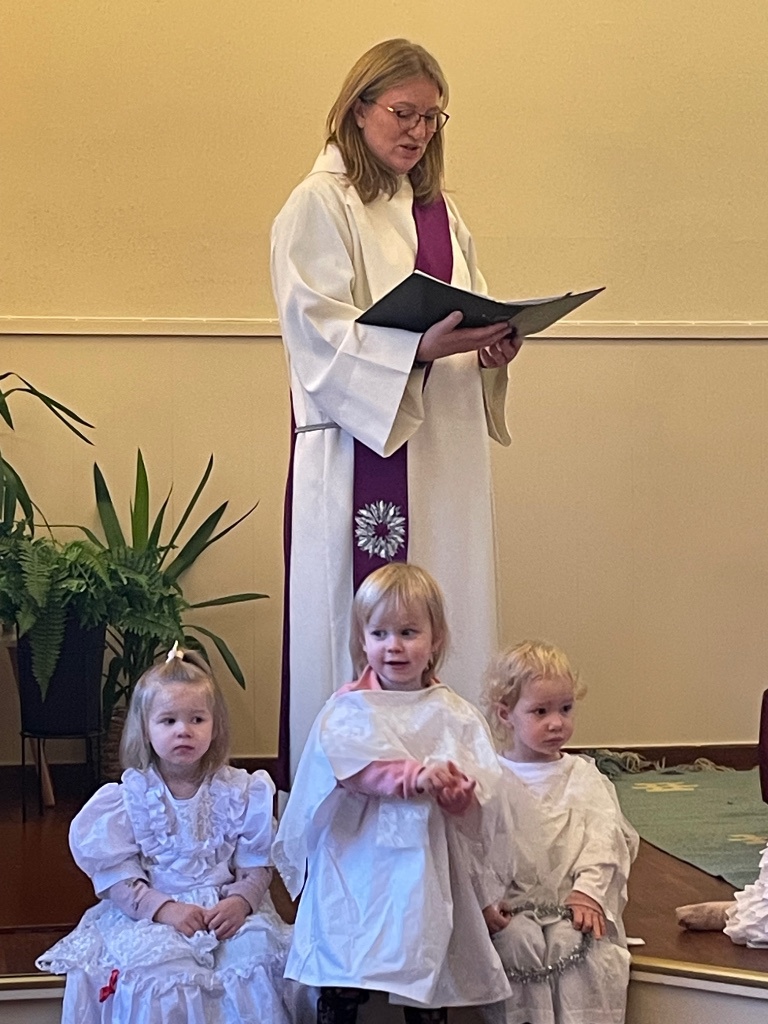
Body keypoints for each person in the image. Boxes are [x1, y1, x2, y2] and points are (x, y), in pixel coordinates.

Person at [271, 37, 524, 784]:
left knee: (451, 601)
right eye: (402, 112)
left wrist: (490, 348)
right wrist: (414, 350)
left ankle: (457, 794)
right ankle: (353, 797)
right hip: (363, 451)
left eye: (431, 118)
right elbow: (316, 335)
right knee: (365, 620)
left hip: (446, 448)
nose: (417, 131)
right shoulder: (319, 203)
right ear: (359, 108)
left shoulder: (439, 209)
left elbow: (467, 309)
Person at [272, 562, 512, 1023]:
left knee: (424, 958)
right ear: (362, 641)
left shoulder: (453, 713)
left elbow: (481, 789)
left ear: (435, 639)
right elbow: (351, 767)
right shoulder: (348, 708)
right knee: (345, 954)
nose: (393, 646)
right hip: (355, 859)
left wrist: (456, 793)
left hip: (423, 863)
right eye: (379, 633)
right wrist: (415, 777)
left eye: (408, 632)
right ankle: (338, 1006)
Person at [36, 644, 295, 1024]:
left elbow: (256, 865)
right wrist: (164, 909)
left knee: (255, 959)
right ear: (146, 729)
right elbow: (118, 878)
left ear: (215, 726)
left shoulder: (242, 791)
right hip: (156, 912)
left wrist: (242, 901)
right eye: (168, 721)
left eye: (197, 719)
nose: (183, 731)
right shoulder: (128, 799)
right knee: (158, 972)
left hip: (224, 909)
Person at [479, 640, 639, 1024]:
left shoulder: (584, 777)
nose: (557, 722)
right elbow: (478, 846)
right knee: (516, 942)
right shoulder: (490, 778)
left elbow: (605, 841)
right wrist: (487, 898)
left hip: (572, 903)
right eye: (541, 711)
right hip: (511, 905)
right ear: (506, 714)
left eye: (565, 709)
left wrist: (588, 892)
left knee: (576, 942)